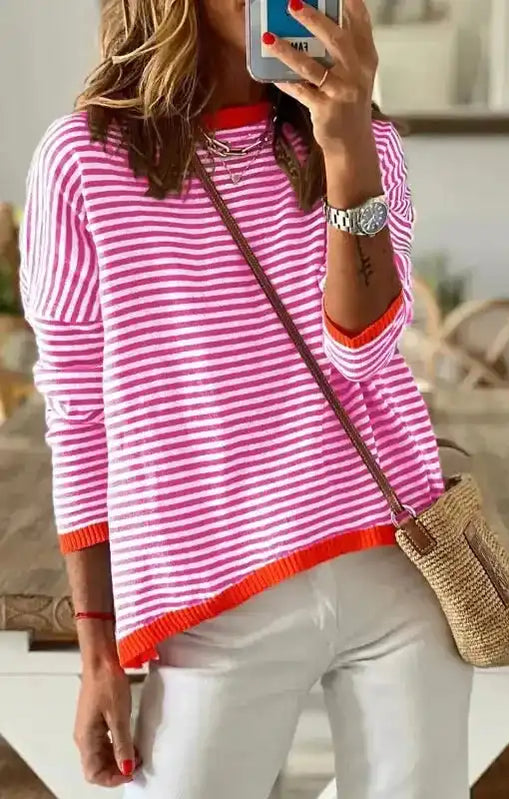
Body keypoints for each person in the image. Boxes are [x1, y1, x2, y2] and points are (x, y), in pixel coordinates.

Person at [20, 1, 473, 797]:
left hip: (397, 568)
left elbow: (360, 350)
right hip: (212, 596)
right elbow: (77, 414)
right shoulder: (83, 163)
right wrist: (99, 654)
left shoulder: (369, 144)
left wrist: (347, 142)